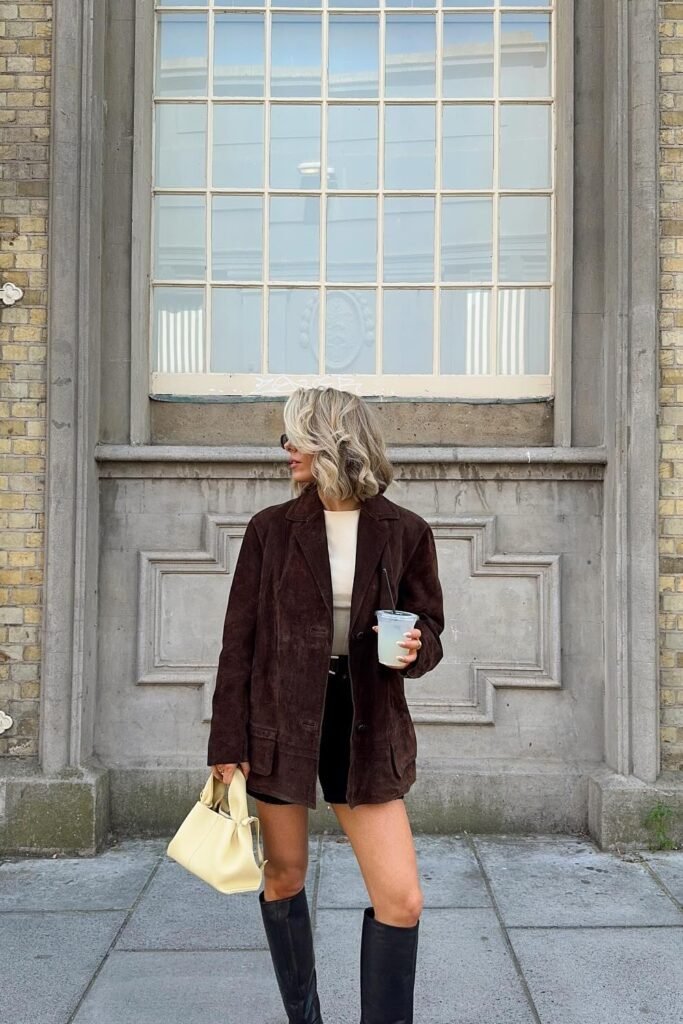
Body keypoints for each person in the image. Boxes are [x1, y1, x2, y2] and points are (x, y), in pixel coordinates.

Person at [208, 386, 444, 1024]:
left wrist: (416, 647)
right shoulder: (271, 531)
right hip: (281, 720)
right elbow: (239, 645)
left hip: (365, 721)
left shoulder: (406, 531)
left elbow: (432, 632)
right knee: (284, 877)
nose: (285, 450)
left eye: (297, 437)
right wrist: (226, 745)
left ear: (334, 439)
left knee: (402, 899)